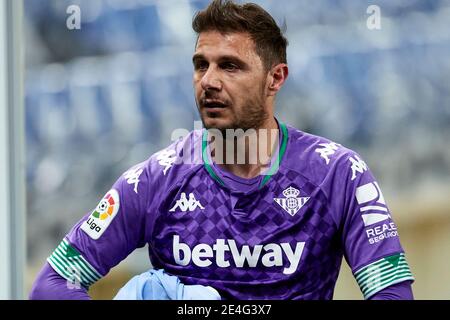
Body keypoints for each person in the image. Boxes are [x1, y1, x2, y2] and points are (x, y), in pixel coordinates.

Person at [29, 0, 414, 300]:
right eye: (201, 65)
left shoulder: (337, 174)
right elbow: (52, 283)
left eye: (229, 66)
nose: (209, 81)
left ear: (275, 78)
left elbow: (392, 291)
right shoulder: (157, 179)